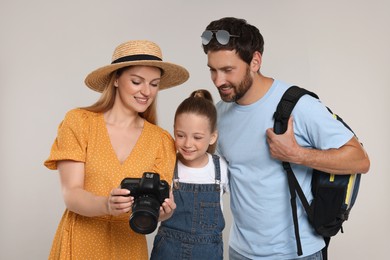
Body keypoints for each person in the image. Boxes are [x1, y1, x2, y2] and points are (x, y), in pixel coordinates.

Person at [200, 17, 370, 260]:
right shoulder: (218, 115)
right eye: (212, 70)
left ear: (255, 61)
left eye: (228, 70)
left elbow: (360, 159)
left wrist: (295, 154)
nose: (218, 81)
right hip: (240, 252)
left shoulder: (299, 106)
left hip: (297, 254)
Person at [43, 40, 189, 260]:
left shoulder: (161, 140)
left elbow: (155, 203)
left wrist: (162, 213)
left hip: (128, 247)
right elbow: (71, 194)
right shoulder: (79, 122)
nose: (146, 92)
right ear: (116, 80)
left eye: (154, 84)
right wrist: (106, 205)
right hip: (81, 242)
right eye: (137, 81)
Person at [150, 89, 229, 260]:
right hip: (168, 250)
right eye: (180, 135)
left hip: (208, 253)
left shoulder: (220, 168)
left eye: (197, 137)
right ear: (174, 130)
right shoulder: (168, 164)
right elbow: (153, 212)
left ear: (212, 137)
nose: (187, 144)